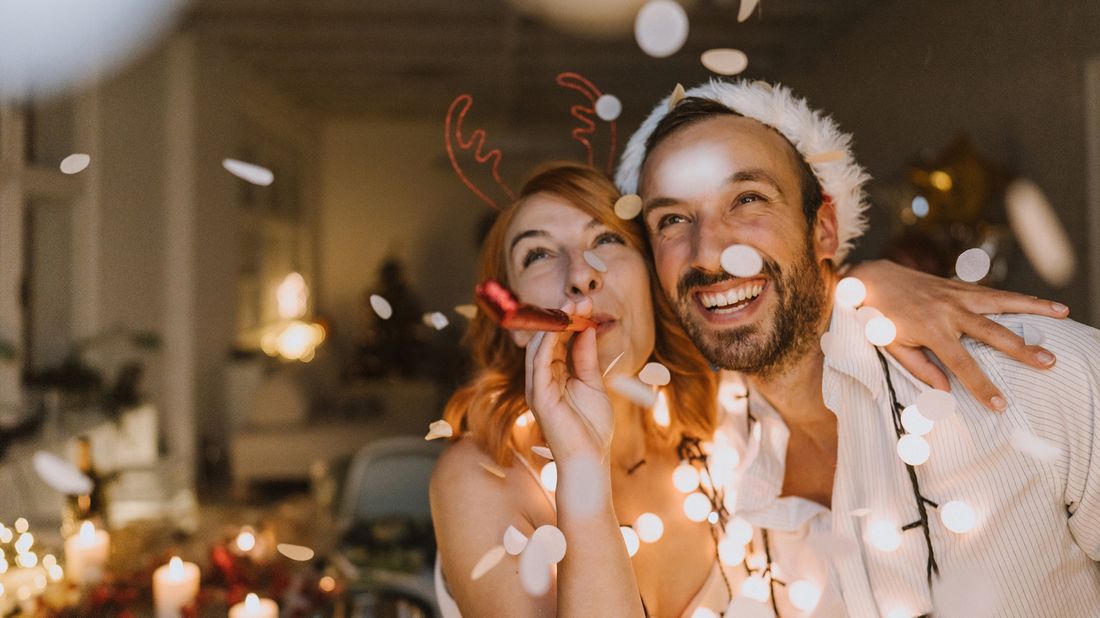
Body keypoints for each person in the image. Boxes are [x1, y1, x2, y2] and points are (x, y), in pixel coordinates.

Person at [430, 159, 1069, 616]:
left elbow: (799, 325)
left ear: (655, 285)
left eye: (606, 241)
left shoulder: (719, 428)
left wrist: (868, 283)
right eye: (539, 255)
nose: (581, 278)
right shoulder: (479, 478)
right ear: (513, 323)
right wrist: (579, 466)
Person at [617, 80, 1100, 615]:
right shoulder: (701, 467)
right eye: (672, 220)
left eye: (747, 199)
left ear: (824, 227)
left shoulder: (1037, 376)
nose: (708, 252)